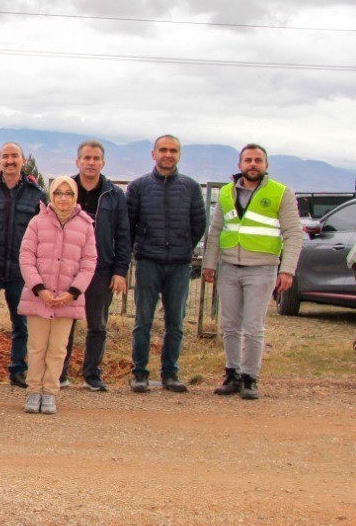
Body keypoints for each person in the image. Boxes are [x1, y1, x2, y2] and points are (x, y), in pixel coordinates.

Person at [201, 144, 303, 400]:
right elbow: (215, 231)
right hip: (229, 267)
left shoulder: (281, 193)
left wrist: (287, 269)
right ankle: (232, 374)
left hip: (262, 268)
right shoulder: (226, 192)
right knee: (230, 325)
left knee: (253, 326)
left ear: (266, 165)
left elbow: (293, 233)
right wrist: (209, 264)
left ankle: (250, 378)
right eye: (248, 160)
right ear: (240, 165)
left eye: (258, 160)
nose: (253, 164)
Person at [126, 135, 206, 393]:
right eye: (163, 150)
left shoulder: (191, 188)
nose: (168, 154)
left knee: (175, 321)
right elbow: (130, 224)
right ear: (153, 154)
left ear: (179, 155)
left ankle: (170, 373)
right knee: (143, 320)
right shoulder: (138, 187)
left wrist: (184, 246)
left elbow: (198, 225)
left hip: (179, 265)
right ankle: (139, 373)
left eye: (173, 150)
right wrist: (142, 248)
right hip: (148, 261)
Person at [18, 176, 98, 415]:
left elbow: (89, 262)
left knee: (58, 348)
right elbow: (26, 257)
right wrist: (38, 287)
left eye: (69, 193)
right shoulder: (37, 222)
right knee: (36, 346)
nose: (63, 198)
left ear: (75, 197)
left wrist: (73, 292)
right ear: (51, 196)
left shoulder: (86, 226)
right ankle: (34, 390)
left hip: (67, 299)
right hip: (38, 297)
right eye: (59, 193)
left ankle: (50, 391)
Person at [59, 140, 131, 392]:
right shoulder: (65, 189)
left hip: (101, 267)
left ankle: (92, 374)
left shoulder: (113, 194)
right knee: (65, 320)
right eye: (86, 158)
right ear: (77, 161)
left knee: (97, 323)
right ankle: (59, 372)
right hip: (68, 267)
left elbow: (123, 234)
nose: (91, 162)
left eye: (96, 158)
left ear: (103, 162)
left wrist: (120, 271)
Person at [0, 142, 45, 388]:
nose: (10, 161)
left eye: (15, 156)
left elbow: (42, 232)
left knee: (21, 325)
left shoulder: (36, 193)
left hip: (21, 270)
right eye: (5, 156)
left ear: (23, 161)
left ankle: (18, 371)